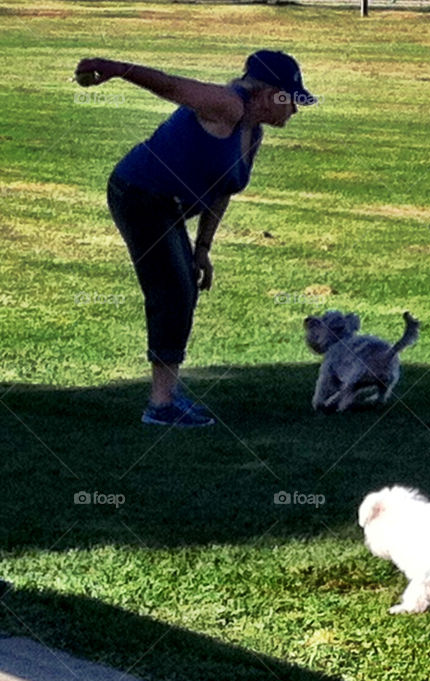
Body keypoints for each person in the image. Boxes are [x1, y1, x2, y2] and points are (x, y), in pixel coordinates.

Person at [75, 51, 314, 427]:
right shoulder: (227, 105)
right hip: (138, 193)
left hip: (169, 206)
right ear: (269, 94)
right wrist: (117, 70)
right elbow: (171, 86)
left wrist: (202, 248)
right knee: (173, 289)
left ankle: (167, 396)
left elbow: (224, 188)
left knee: (183, 284)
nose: (295, 110)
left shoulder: (253, 134)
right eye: (291, 99)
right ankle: (160, 404)